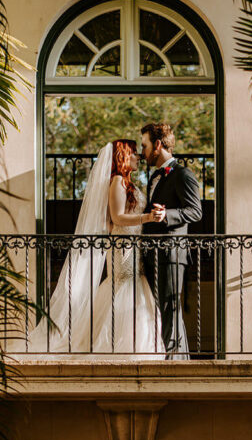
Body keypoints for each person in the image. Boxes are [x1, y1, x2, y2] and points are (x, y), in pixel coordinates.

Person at [27, 140, 165, 356]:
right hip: (122, 245)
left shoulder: (127, 183)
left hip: (134, 245)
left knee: (135, 284)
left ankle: (138, 346)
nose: (138, 157)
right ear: (124, 156)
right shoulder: (117, 181)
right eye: (134, 154)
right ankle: (121, 346)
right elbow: (118, 217)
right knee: (124, 284)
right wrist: (148, 217)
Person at [140, 122, 203, 358]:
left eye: (145, 145)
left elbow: (196, 212)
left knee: (170, 311)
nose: (142, 151)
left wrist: (168, 216)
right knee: (162, 312)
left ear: (157, 145)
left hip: (171, 255)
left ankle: (174, 365)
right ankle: (177, 360)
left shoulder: (183, 174)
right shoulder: (155, 177)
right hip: (155, 255)